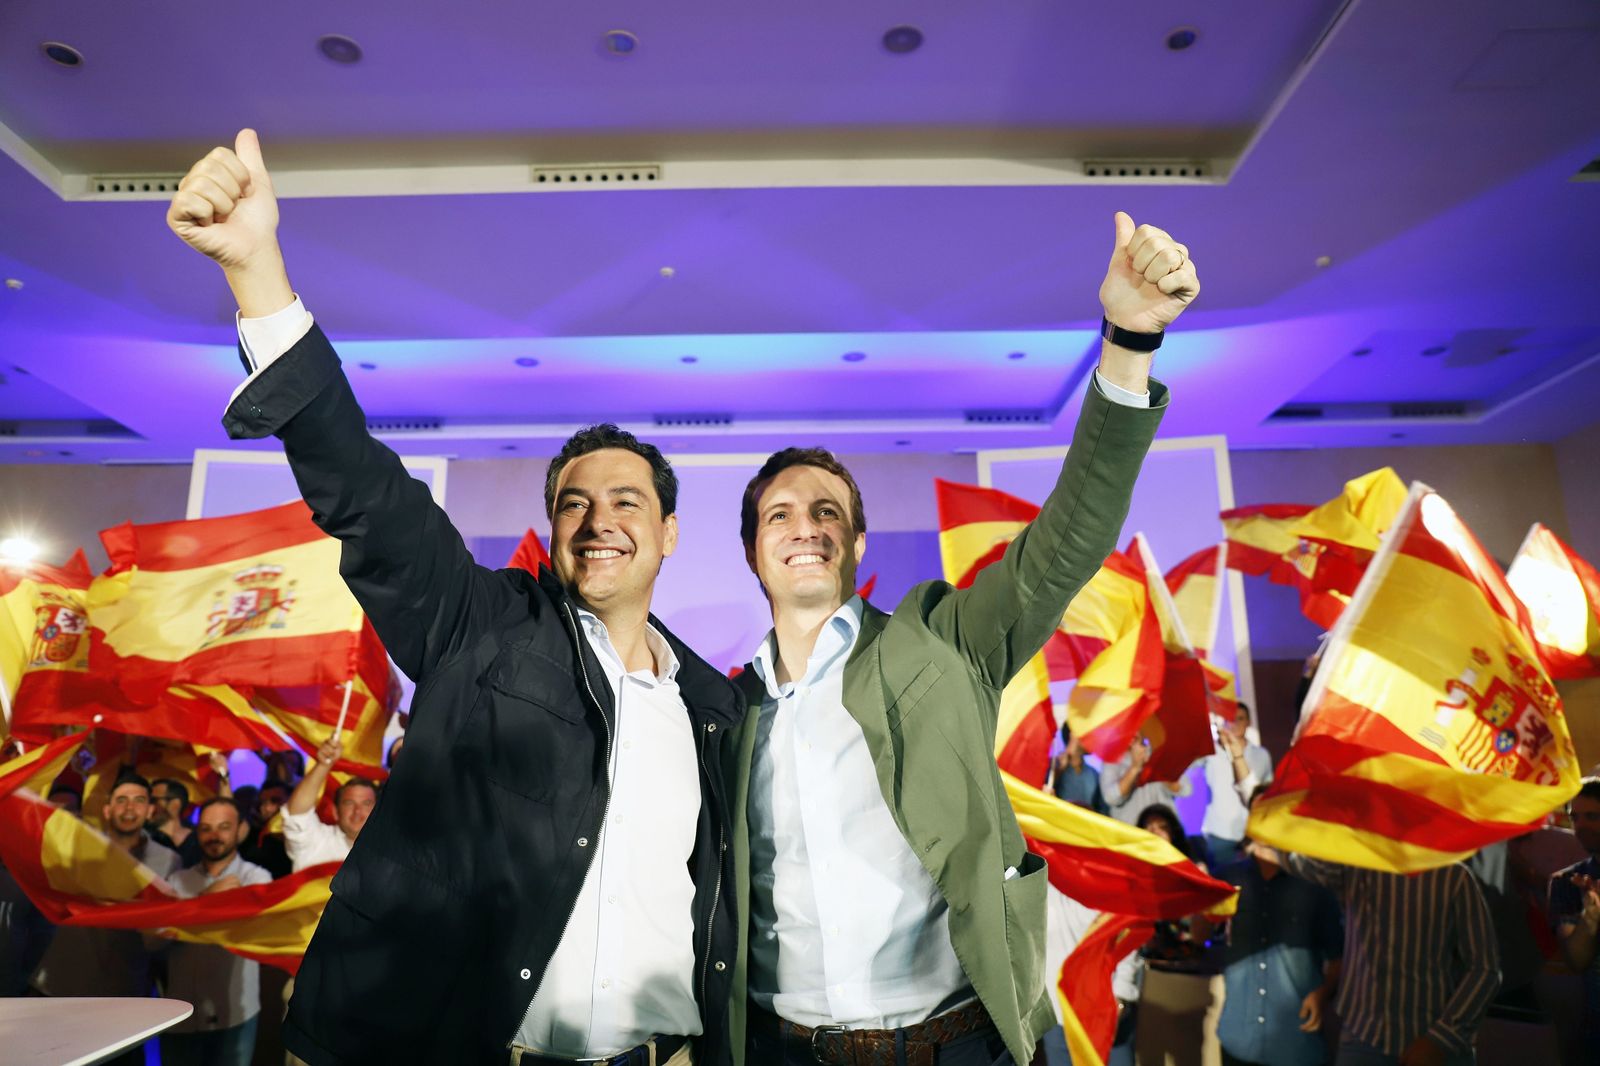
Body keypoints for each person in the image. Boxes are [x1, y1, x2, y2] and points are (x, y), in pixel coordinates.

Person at [168, 129, 738, 1066]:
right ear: (551, 532)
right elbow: (365, 492)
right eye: (573, 504)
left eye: (627, 501)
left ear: (670, 533)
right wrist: (258, 272)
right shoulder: (484, 630)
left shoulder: (715, 709)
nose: (598, 520)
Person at [730, 209, 1193, 1065]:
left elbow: (1067, 542)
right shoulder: (724, 712)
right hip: (782, 1049)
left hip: (953, 1043)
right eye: (782, 515)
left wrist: (1128, 339)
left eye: (829, 511)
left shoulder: (943, 645)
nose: (808, 527)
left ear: (857, 544)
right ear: (755, 552)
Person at [1252, 842, 1500, 1065]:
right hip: (1364, 1035)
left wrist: (1441, 1038)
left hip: (1432, 1038)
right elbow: (1301, 862)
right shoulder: (1357, 867)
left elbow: (1484, 969)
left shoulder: (1453, 877)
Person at [30, 774, 182, 1066]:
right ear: (107, 810)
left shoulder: (167, 861)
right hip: (63, 990)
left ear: (150, 811)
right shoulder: (77, 849)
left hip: (124, 997)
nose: (129, 808)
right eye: (121, 800)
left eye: (139, 801)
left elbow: (165, 930)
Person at [1208, 790, 1342, 1066]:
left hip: (1295, 1041)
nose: (1263, 821)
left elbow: (1338, 956)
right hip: (1238, 1036)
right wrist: (1198, 899)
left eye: (1271, 812)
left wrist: (1323, 993)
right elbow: (1201, 935)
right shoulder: (1227, 877)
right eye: (1257, 813)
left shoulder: (1313, 881)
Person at [161, 797, 273, 1066]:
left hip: (234, 1014)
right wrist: (205, 900)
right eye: (206, 828)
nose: (214, 836)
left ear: (240, 830)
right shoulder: (177, 881)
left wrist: (189, 914)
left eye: (224, 827)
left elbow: (249, 933)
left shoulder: (257, 879)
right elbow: (154, 939)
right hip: (181, 1017)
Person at [1548, 776, 1600, 1049]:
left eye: (1592, 816)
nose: (1581, 826)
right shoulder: (1567, 883)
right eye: (1575, 817)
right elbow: (1576, 960)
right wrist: (1591, 913)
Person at [280, 738, 376, 872]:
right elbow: (296, 815)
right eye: (349, 803)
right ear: (335, 812)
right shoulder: (316, 843)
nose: (357, 811)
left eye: (366, 804)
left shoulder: (394, 852)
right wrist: (324, 764)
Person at [1199, 702, 1272, 867]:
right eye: (1231, 719)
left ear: (1248, 722)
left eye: (1241, 719)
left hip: (1251, 832)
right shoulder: (1210, 751)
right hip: (1220, 832)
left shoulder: (1261, 755)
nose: (1236, 723)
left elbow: (1261, 791)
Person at [1100, 734, 1192, 825]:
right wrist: (1134, 767)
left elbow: (1185, 789)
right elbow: (1111, 798)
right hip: (1131, 829)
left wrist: (1156, 762)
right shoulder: (1112, 759)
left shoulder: (1160, 750)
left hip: (1163, 827)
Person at [1047, 723, 1106, 815]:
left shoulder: (1094, 774)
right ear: (1073, 734)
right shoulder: (1054, 766)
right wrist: (1058, 771)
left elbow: (1101, 811)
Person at [241, 779, 293, 879]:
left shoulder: (305, 835)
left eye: (275, 801)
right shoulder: (252, 840)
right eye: (263, 803)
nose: (268, 808)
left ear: (291, 800)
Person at [150, 777, 203, 867]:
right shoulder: (143, 838)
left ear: (175, 805)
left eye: (153, 801)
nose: (148, 806)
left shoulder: (201, 841)